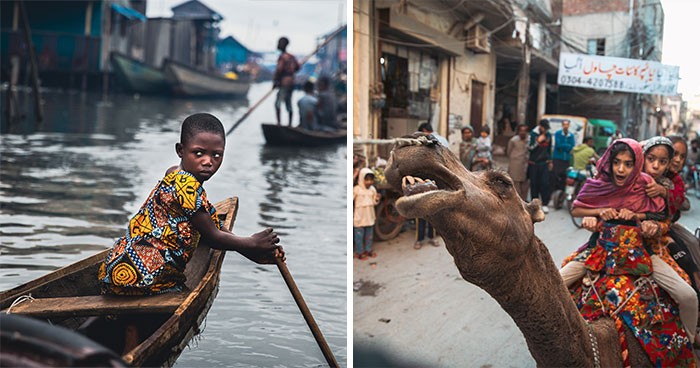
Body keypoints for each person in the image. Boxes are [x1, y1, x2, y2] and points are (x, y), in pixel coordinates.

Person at [99, 113, 285, 296]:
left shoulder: (173, 173)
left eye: (216, 155)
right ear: (180, 150)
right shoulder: (187, 186)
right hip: (142, 278)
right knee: (183, 292)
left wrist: (251, 251)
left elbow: (211, 225)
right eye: (199, 153)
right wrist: (252, 242)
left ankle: (123, 323)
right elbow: (212, 236)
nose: (208, 162)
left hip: (116, 270)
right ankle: (134, 326)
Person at [559, 139, 699, 345]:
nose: (621, 169)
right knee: (556, 283)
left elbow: (660, 215)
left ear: (636, 164)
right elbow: (579, 209)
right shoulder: (600, 184)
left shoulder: (648, 186)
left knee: (688, 295)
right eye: (617, 162)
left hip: (642, 251)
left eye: (628, 164)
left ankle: (685, 346)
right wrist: (596, 215)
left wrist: (639, 217)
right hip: (599, 250)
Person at [353, 168, 380, 259]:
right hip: (359, 217)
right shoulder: (356, 189)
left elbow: (374, 202)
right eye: (367, 180)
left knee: (369, 235)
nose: (369, 182)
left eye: (371, 180)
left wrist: (376, 199)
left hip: (369, 216)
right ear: (361, 179)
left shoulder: (372, 189)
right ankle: (359, 253)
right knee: (359, 237)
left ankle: (368, 250)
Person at [527, 119, 553, 213]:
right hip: (534, 163)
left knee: (545, 183)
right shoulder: (533, 134)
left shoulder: (548, 135)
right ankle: (535, 204)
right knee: (534, 184)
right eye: (544, 128)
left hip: (544, 163)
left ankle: (545, 204)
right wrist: (538, 141)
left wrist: (550, 161)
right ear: (540, 126)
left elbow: (549, 149)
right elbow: (529, 148)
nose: (545, 130)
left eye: (546, 129)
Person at [273, 37, 300, 126]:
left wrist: (275, 82)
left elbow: (279, 70)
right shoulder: (292, 57)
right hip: (291, 83)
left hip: (284, 83)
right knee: (289, 104)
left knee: (277, 104)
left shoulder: (282, 57)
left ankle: (279, 124)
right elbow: (298, 67)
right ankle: (290, 124)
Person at [551, 119, 576, 196]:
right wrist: (566, 146)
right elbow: (558, 145)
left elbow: (572, 146)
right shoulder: (558, 134)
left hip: (566, 159)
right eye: (564, 124)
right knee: (555, 174)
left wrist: (564, 146)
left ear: (569, 125)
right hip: (558, 158)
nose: (565, 126)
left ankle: (562, 191)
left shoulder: (571, 135)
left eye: (567, 124)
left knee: (564, 176)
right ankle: (554, 191)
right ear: (562, 125)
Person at [507, 124, 530, 200]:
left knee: (525, 184)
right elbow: (509, 151)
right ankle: (516, 200)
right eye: (521, 131)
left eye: (524, 131)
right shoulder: (513, 140)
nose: (522, 132)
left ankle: (524, 201)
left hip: (525, 164)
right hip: (515, 164)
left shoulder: (529, 140)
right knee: (515, 183)